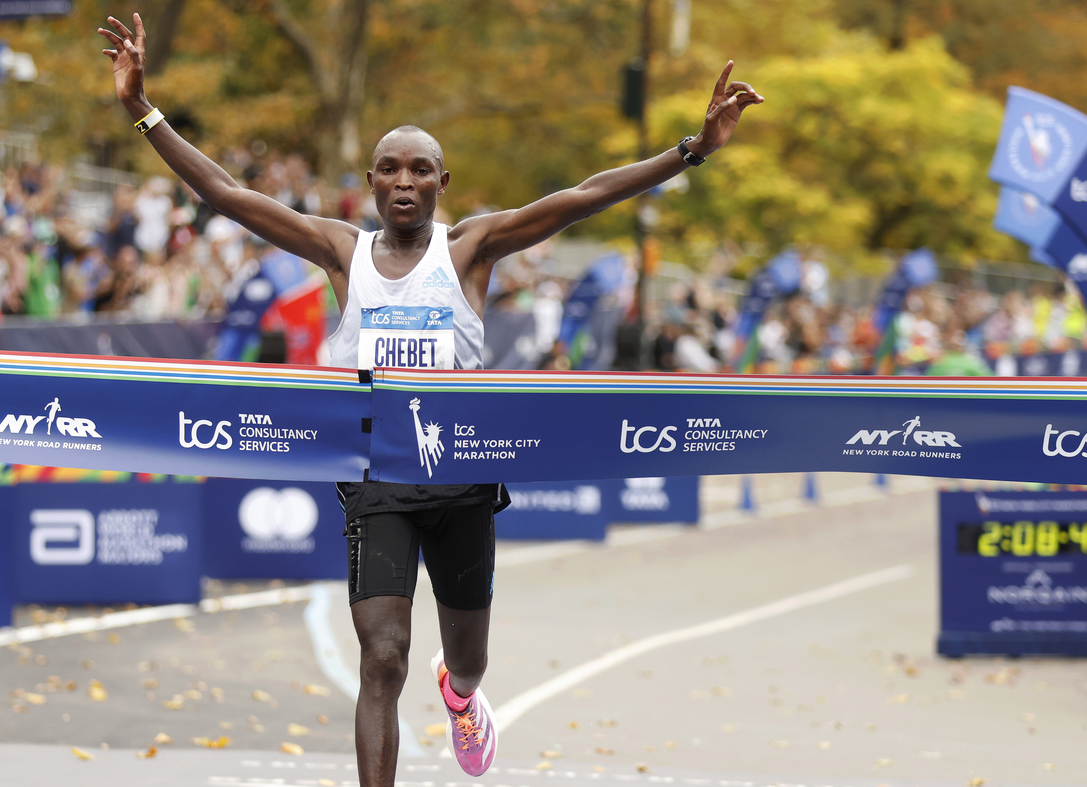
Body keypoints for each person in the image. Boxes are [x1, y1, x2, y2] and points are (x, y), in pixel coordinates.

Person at [98, 13, 762, 785]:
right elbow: (226, 191)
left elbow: (583, 196)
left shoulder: (472, 248)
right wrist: (144, 112)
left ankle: (462, 695)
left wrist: (692, 150)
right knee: (382, 655)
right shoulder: (340, 251)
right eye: (389, 169)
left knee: (468, 657)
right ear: (372, 181)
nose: (404, 182)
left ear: (441, 183)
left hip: (462, 477)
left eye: (419, 169)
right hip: (377, 479)